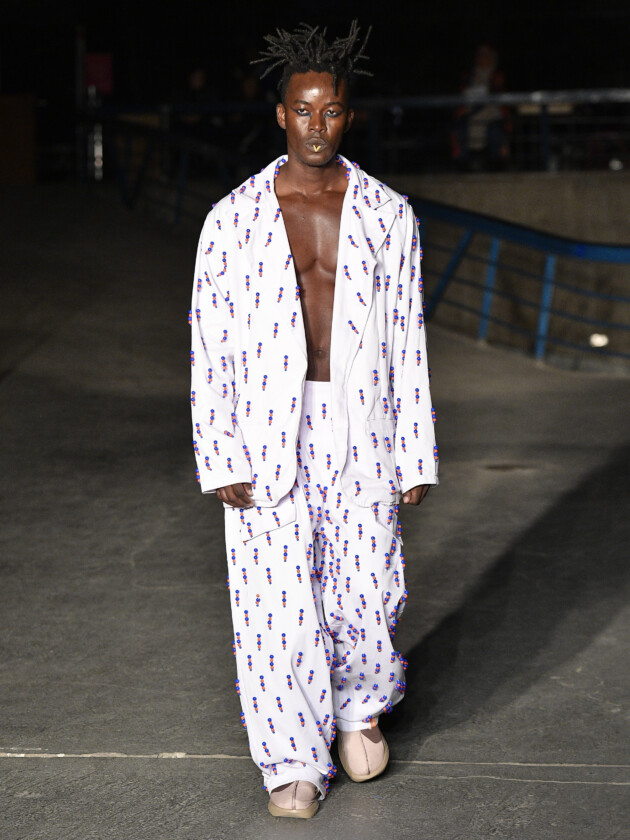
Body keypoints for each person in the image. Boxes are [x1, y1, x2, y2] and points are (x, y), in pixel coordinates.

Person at [190, 21, 438, 819]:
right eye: (303, 110)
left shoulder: (388, 214)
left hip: (360, 418)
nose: (317, 125)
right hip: (267, 423)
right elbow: (211, 339)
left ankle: (359, 707)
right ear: (281, 115)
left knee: (368, 586)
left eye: (331, 112)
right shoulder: (232, 220)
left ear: (347, 117)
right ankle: (292, 757)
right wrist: (218, 448)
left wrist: (416, 452)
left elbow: (407, 335)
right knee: (273, 595)